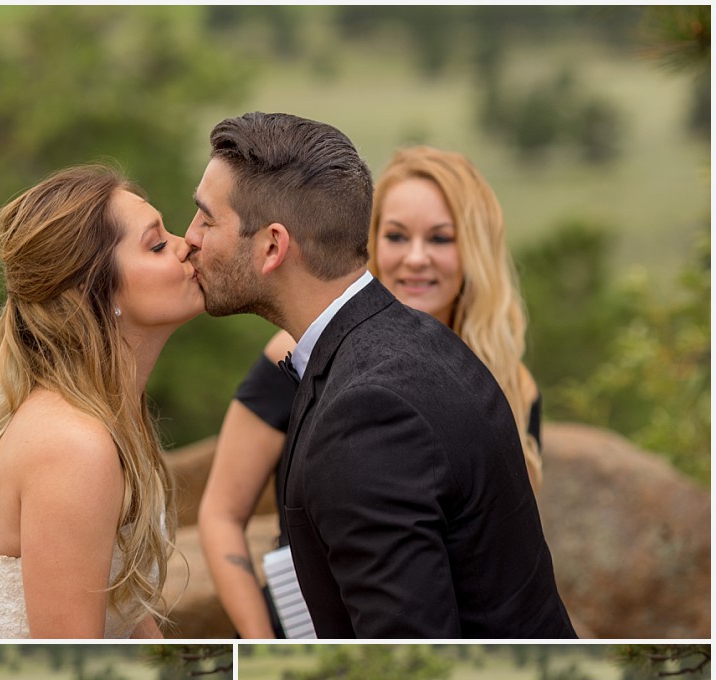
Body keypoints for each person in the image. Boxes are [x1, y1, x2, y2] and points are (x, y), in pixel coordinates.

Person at [186, 111, 575, 638]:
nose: (189, 239)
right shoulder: (410, 341)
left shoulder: (369, 413)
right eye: (398, 235)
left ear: (273, 246)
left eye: (206, 220)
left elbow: (404, 643)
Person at [0, 164, 205, 638]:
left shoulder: (105, 418)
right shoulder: (74, 445)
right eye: (157, 244)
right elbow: (75, 651)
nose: (187, 245)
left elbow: (127, 611)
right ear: (92, 293)